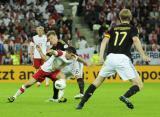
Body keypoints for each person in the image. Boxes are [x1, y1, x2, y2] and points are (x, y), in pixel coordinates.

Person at [76, 9, 151, 110]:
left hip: (110, 58)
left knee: (97, 81)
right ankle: (125, 96)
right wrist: (143, 55)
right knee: (139, 84)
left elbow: (103, 42)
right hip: (123, 58)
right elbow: (136, 40)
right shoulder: (132, 28)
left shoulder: (113, 29)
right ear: (130, 18)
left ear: (120, 18)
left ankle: (81, 103)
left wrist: (101, 57)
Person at [8, 46, 80, 102]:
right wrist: (50, 51)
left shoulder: (73, 58)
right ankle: (14, 97)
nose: (69, 56)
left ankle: (60, 98)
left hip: (54, 71)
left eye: (71, 55)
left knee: (62, 78)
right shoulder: (61, 53)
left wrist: (85, 62)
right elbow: (55, 52)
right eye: (68, 53)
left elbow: (79, 59)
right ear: (67, 52)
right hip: (43, 70)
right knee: (28, 84)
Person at [44, 31, 85, 101]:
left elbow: (71, 52)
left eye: (51, 38)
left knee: (78, 75)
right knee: (57, 78)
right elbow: (46, 58)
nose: (51, 40)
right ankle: (55, 98)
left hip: (74, 62)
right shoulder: (53, 48)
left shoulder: (62, 43)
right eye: (49, 39)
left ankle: (81, 94)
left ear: (56, 36)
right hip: (66, 65)